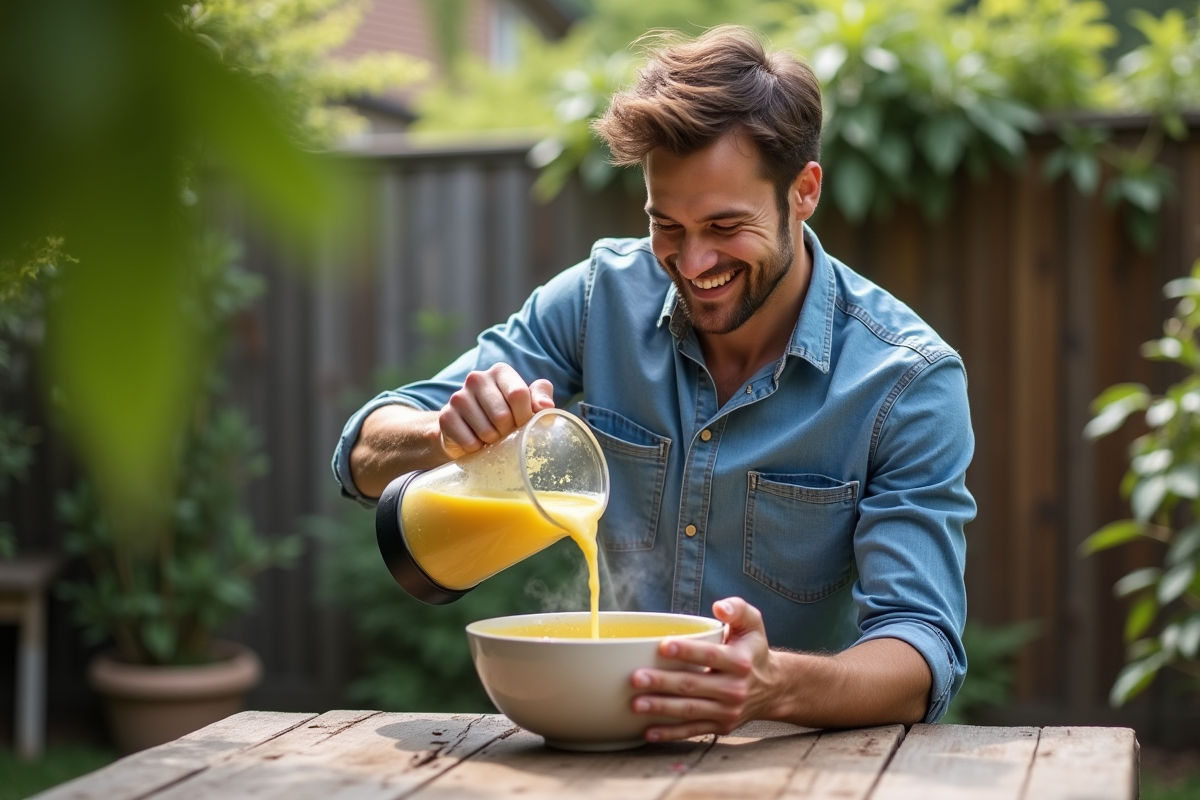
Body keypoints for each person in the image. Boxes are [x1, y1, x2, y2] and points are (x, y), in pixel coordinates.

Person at [333, 25, 974, 742]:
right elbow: (362, 451)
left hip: (786, 761)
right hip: (595, 749)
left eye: (726, 226)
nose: (693, 262)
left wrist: (773, 686)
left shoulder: (905, 381)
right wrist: (443, 432)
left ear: (805, 192)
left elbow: (923, 650)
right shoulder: (596, 299)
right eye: (665, 225)